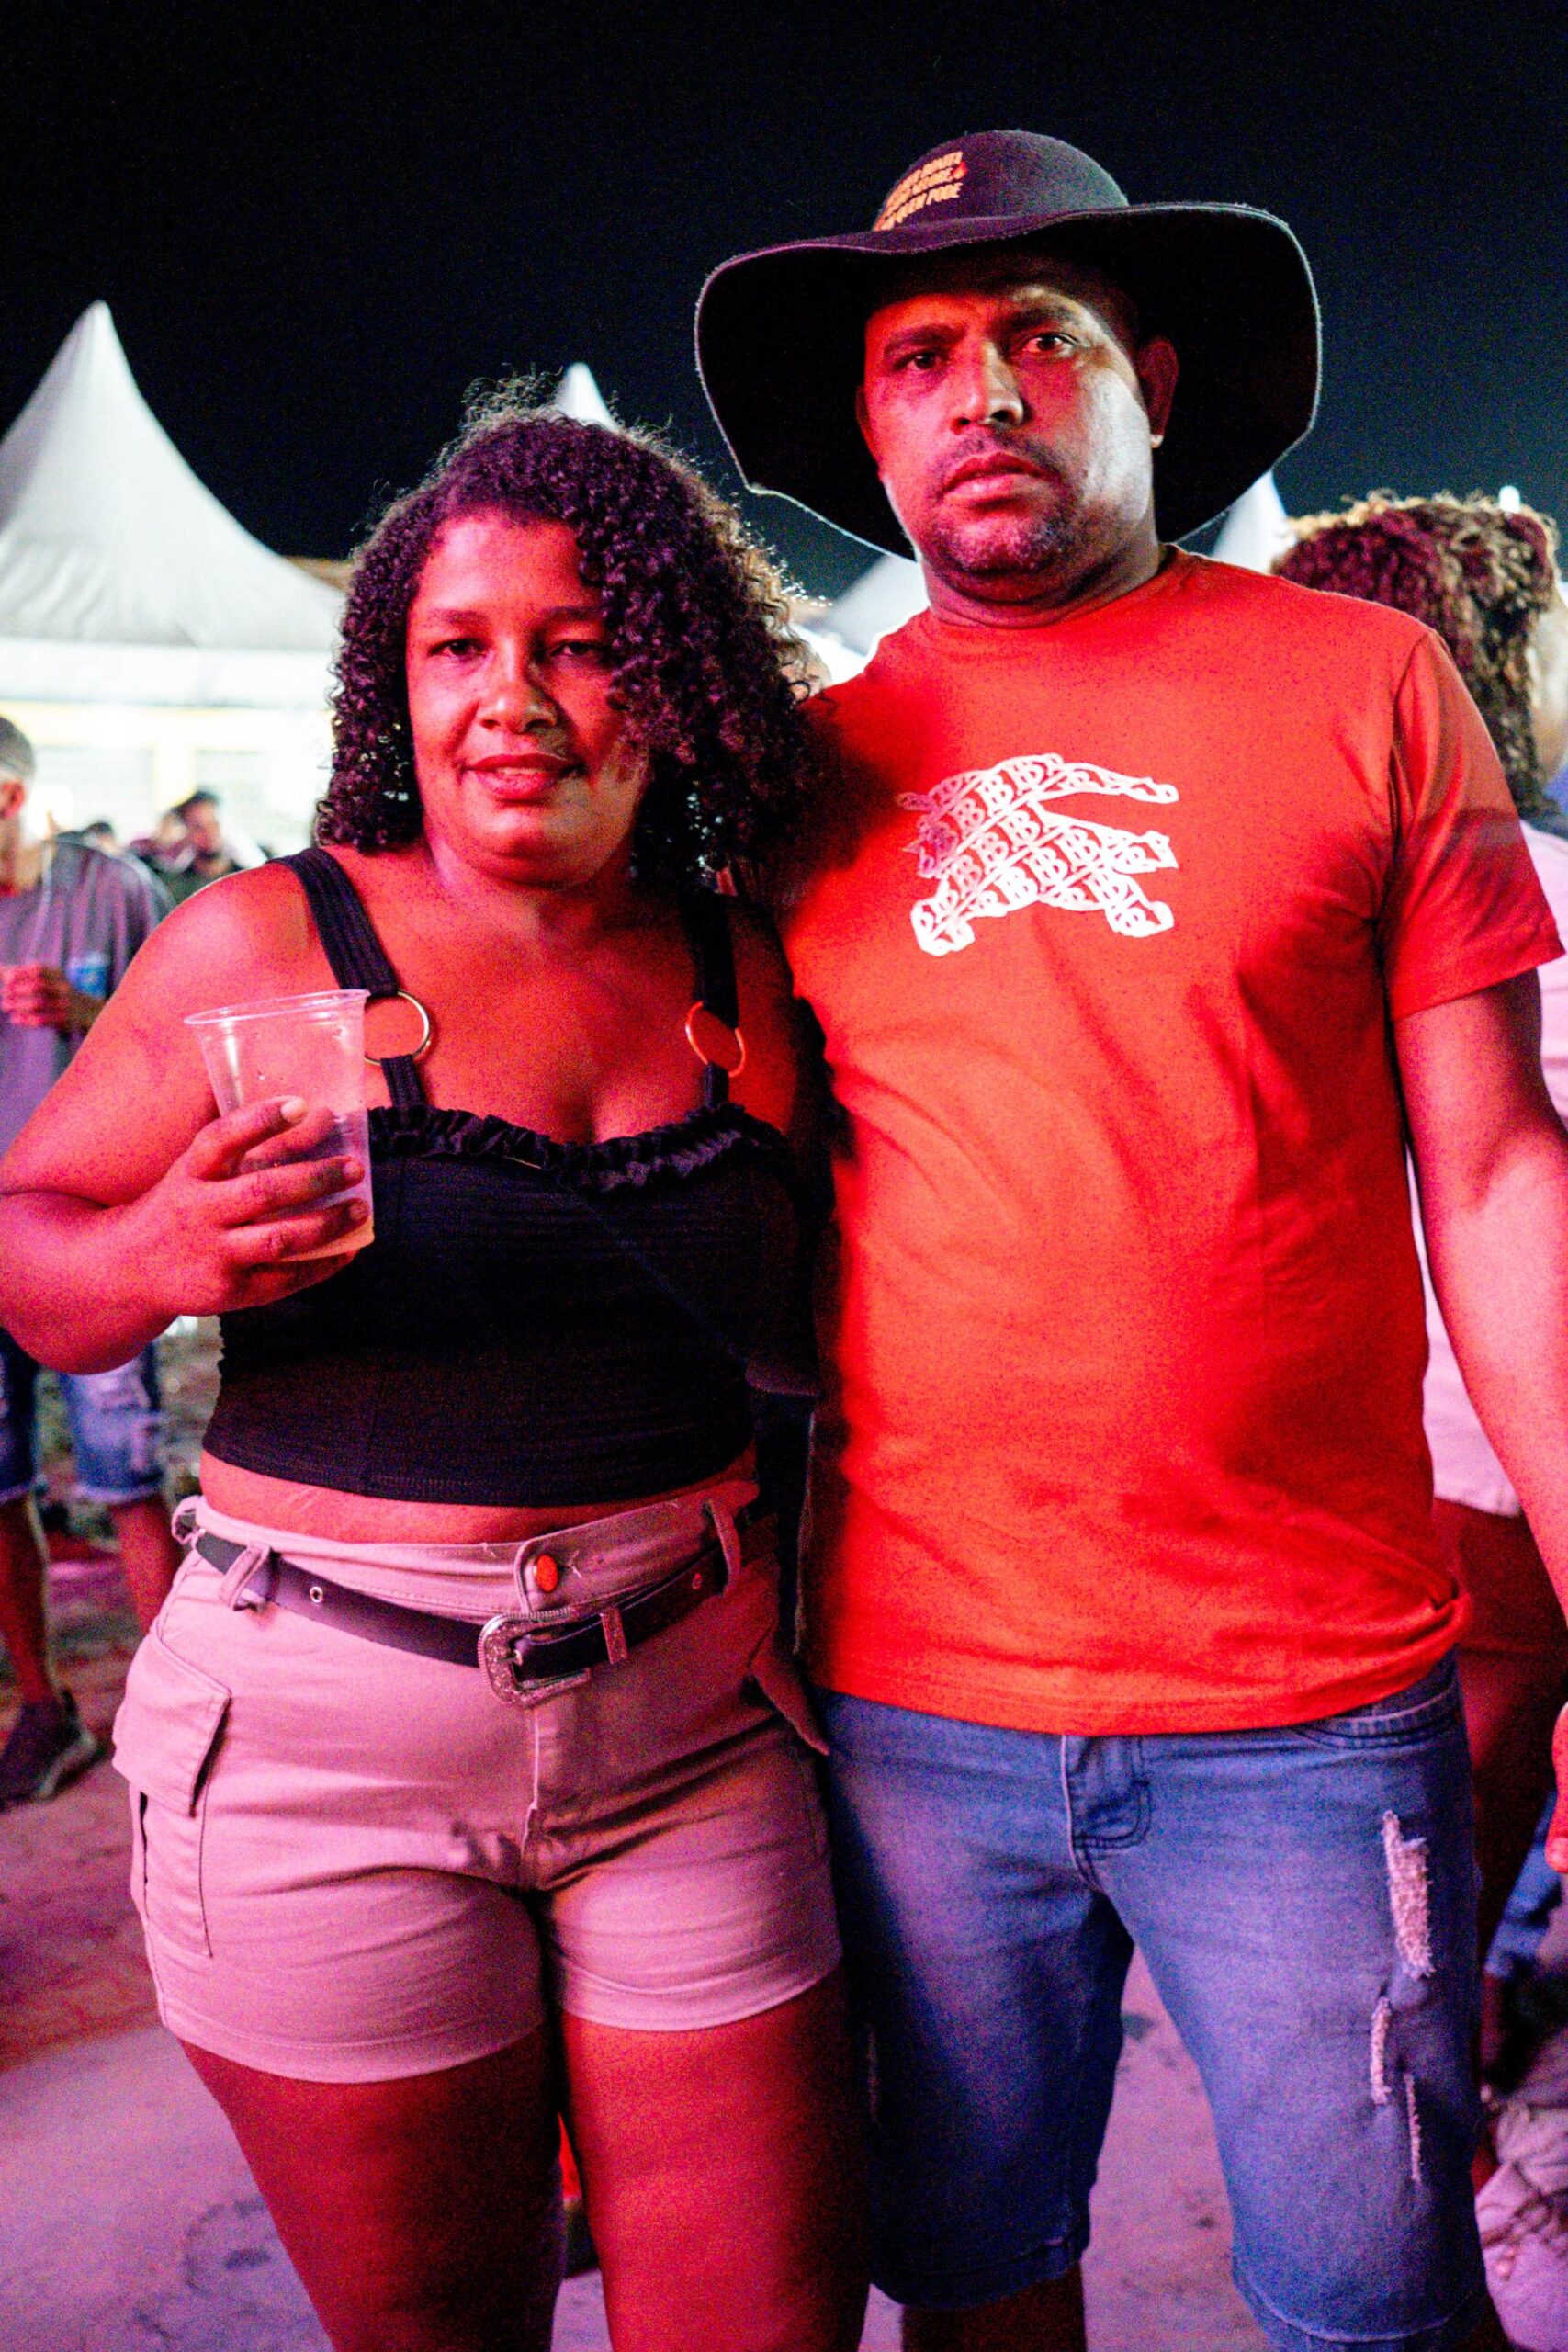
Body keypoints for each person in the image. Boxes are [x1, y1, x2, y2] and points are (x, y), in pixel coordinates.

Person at [696, 129, 1568, 2352]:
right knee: (977, 2278)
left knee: (1374, 2303)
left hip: (1309, 1699)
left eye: (1038, 336)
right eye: (916, 355)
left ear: (1150, 383)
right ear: (868, 426)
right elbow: (737, 1232)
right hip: (914, 1698)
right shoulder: (796, 775)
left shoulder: (1365, 689)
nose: (979, 389)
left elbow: (1493, 1176)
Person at [0, 404, 864, 2352]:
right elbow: (33, 1257)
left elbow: (803, 1345)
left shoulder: (742, 966)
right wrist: (155, 1256)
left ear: (670, 671)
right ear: (395, 683)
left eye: (577, 642)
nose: (511, 699)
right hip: (325, 1753)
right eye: (456, 646)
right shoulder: (262, 937)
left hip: (693, 1731)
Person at [1278, 492, 1568, 2344]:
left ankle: (1429, 2225)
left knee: (1402, 1924)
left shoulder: (1286, 893)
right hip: (1493, 1487)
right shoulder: (1531, 881)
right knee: (1448, 1907)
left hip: (1370, 1482)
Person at [0, 714, 180, 1804]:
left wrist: (88, 1011)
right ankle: (43, 1706)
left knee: (127, 1475)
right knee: (1, 1482)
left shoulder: (111, 890)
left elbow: (189, 1040)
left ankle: (178, 1713)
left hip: (90, 1231)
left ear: (10, 797)